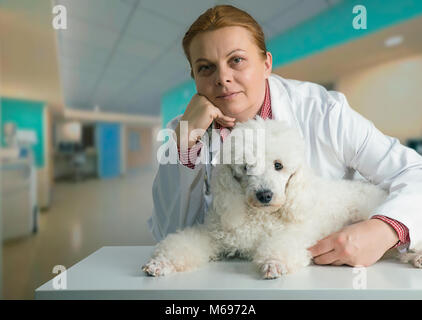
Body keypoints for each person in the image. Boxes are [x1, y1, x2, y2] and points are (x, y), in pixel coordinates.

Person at [148, 5, 422, 267]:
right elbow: (167, 230)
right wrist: (187, 141)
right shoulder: (184, 131)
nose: (223, 78)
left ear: (266, 63)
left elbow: (413, 170)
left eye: (237, 60)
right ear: (194, 77)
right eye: (206, 67)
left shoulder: (323, 110)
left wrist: (385, 229)